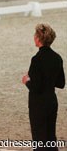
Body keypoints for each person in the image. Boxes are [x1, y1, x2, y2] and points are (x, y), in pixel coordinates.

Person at [22, 23, 65, 151]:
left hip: (38, 104)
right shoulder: (57, 58)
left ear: (38, 38)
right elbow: (61, 83)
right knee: (51, 137)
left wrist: (26, 81)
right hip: (52, 101)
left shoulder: (37, 59)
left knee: (39, 138)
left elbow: (36, 87)